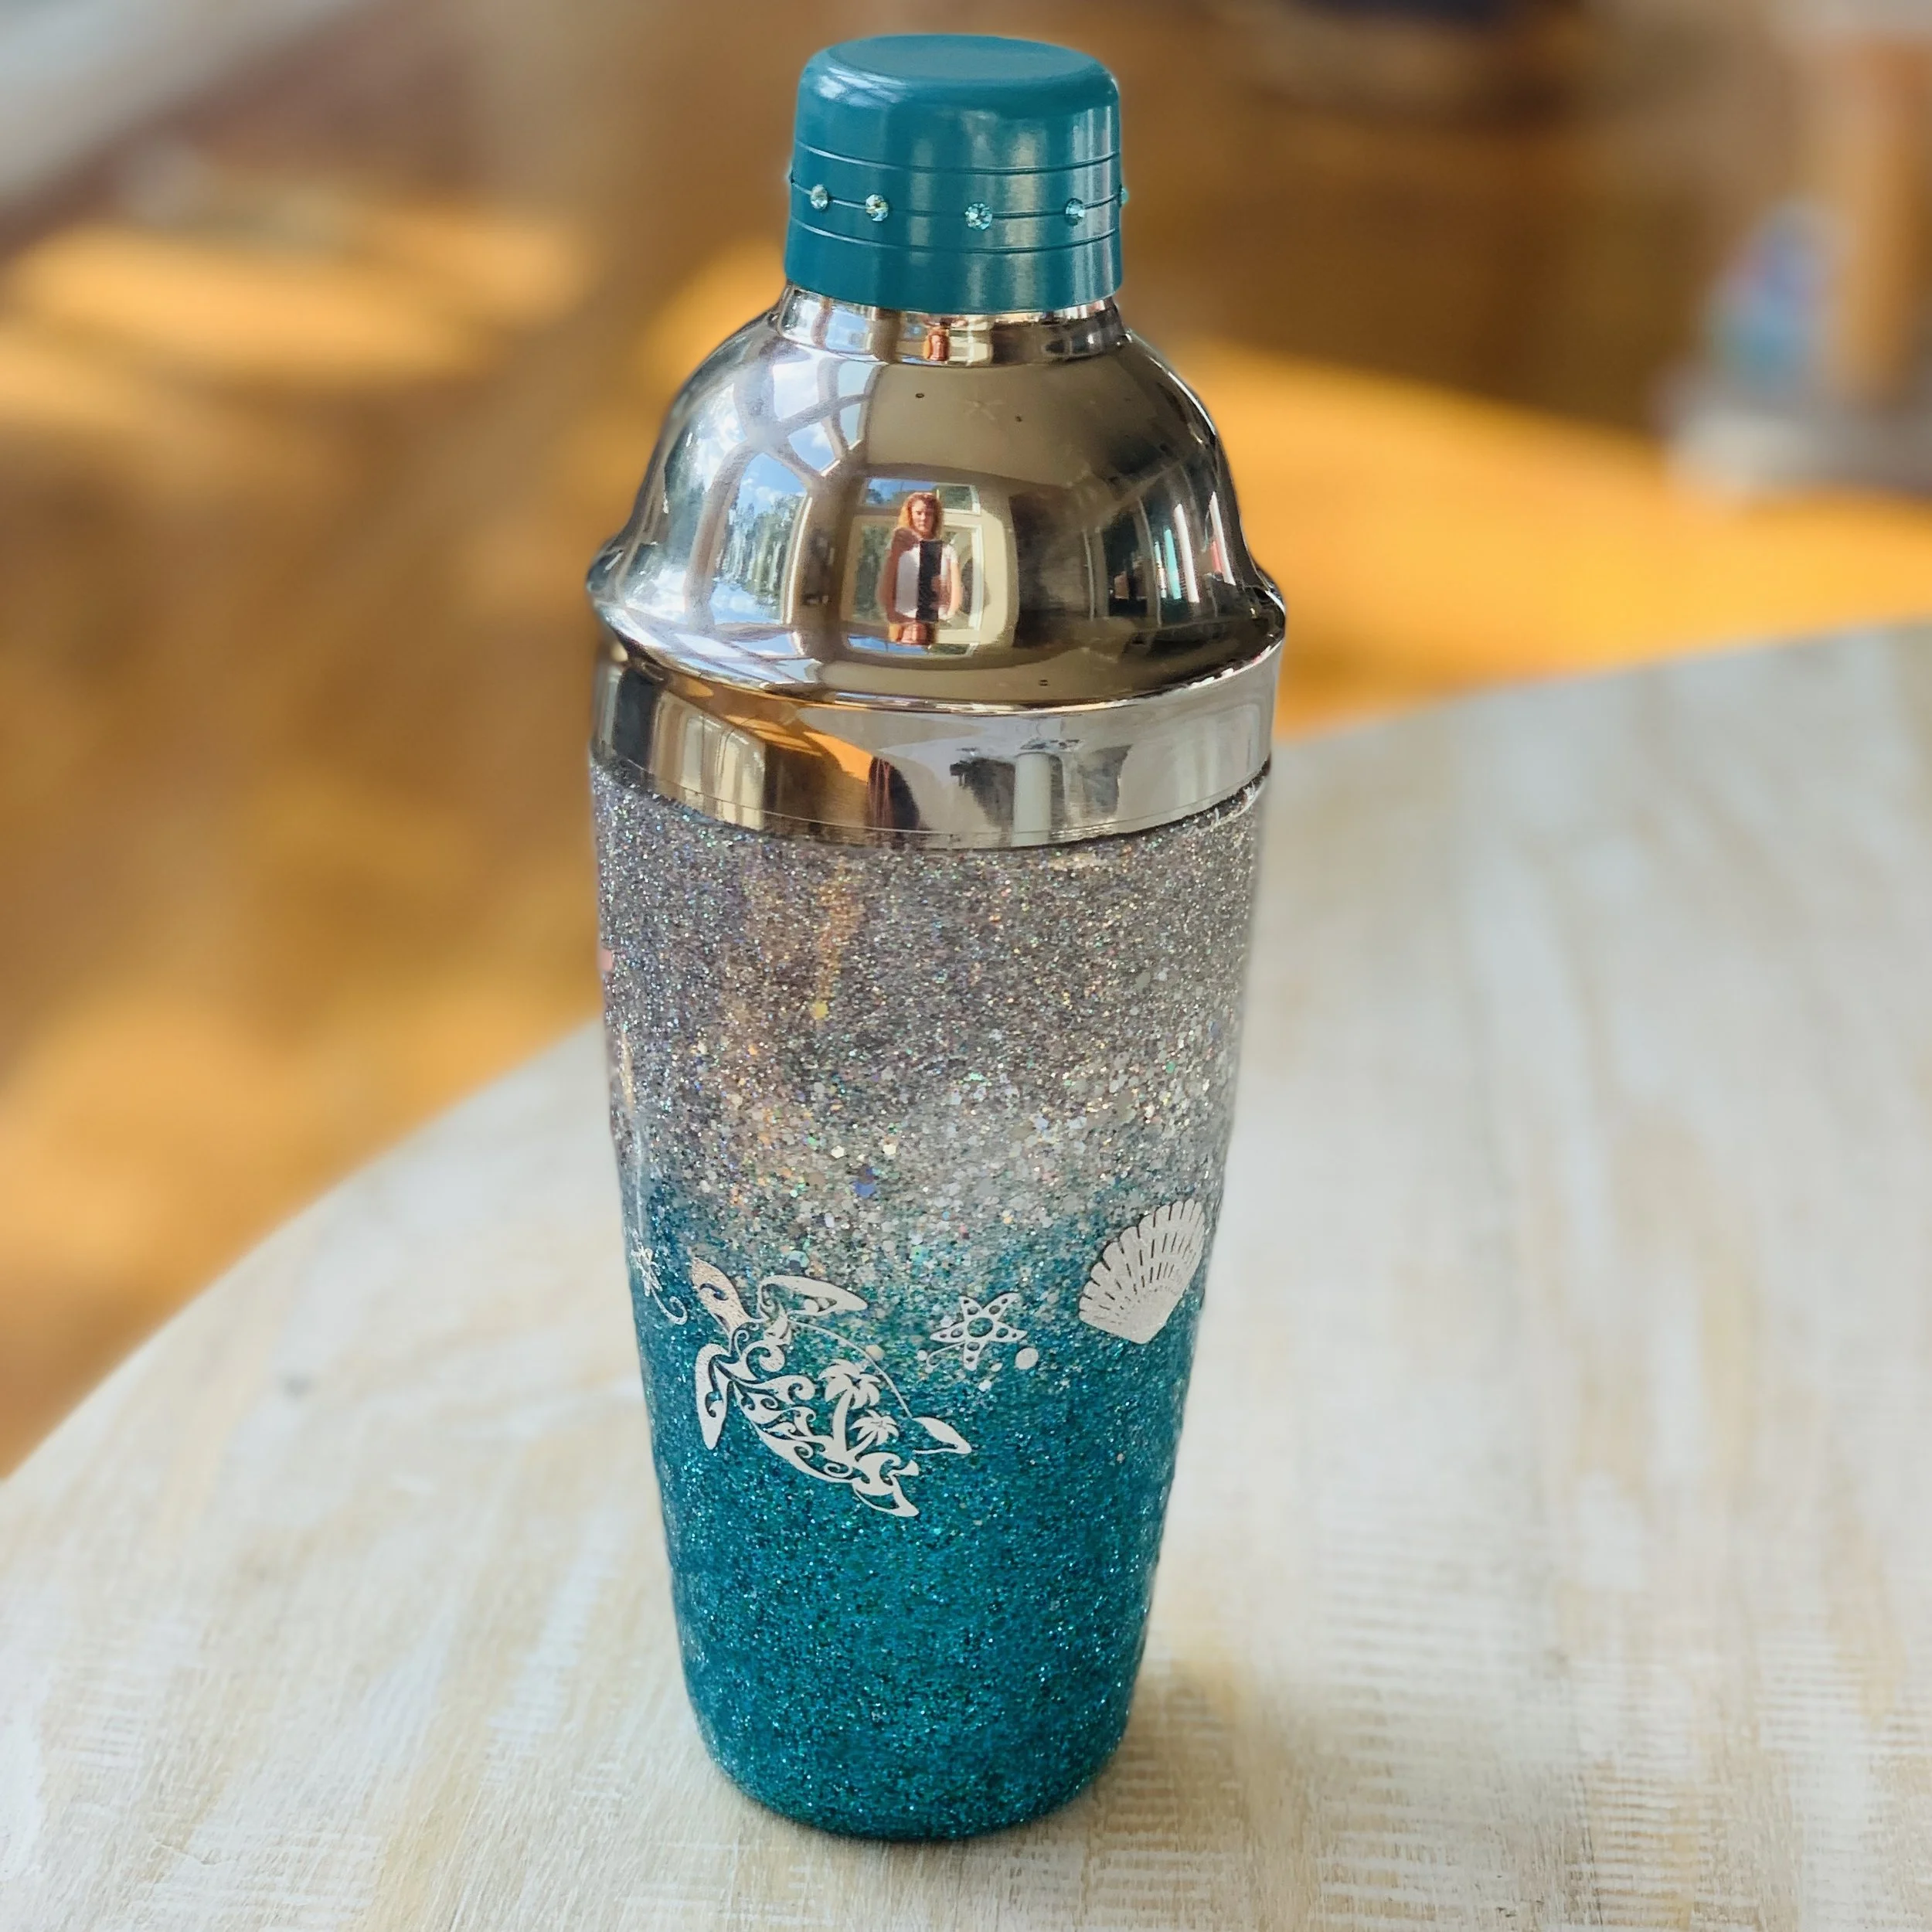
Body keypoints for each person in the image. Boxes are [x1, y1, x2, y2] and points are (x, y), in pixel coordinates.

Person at [882, 490, 962, 645]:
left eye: (929, 514)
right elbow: (889, 581)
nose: (924, 518)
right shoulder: (897, 546)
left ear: (935, 518)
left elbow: (956, 587)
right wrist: (891, 611)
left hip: (936, 614)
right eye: (919, 513)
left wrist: (951, 613)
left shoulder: (947, 550)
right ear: (911, 515)